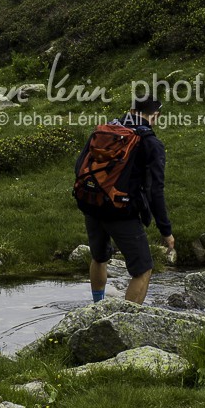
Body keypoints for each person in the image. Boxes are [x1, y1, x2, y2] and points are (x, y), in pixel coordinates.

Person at [72, 95, 173, 303]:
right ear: (155, 116)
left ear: (131, 110)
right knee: (143, 269)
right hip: (120, 211)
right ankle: (124, 322)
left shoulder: (105, 130)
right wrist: (166, 231)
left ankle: (98, 305)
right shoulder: (151, 142)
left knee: (99, 257)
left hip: (92, 203)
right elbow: (155, 190)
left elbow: (79, 166)